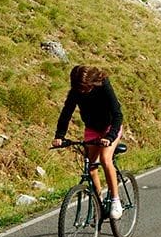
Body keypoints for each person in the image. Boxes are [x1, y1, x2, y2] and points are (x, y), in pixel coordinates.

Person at [52, 65, 125, 220]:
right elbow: (66, 113)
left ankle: (115, 201)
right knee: (90, 167)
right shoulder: (76, 91)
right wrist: (60, 135)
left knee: (105, 159)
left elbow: (117, 114)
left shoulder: (103, 84)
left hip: (110, 126)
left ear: (92, 82)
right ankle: (98, 204)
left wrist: (110, 137)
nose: (82, 92)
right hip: (92, 128)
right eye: (79, 88)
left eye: (85, 88)